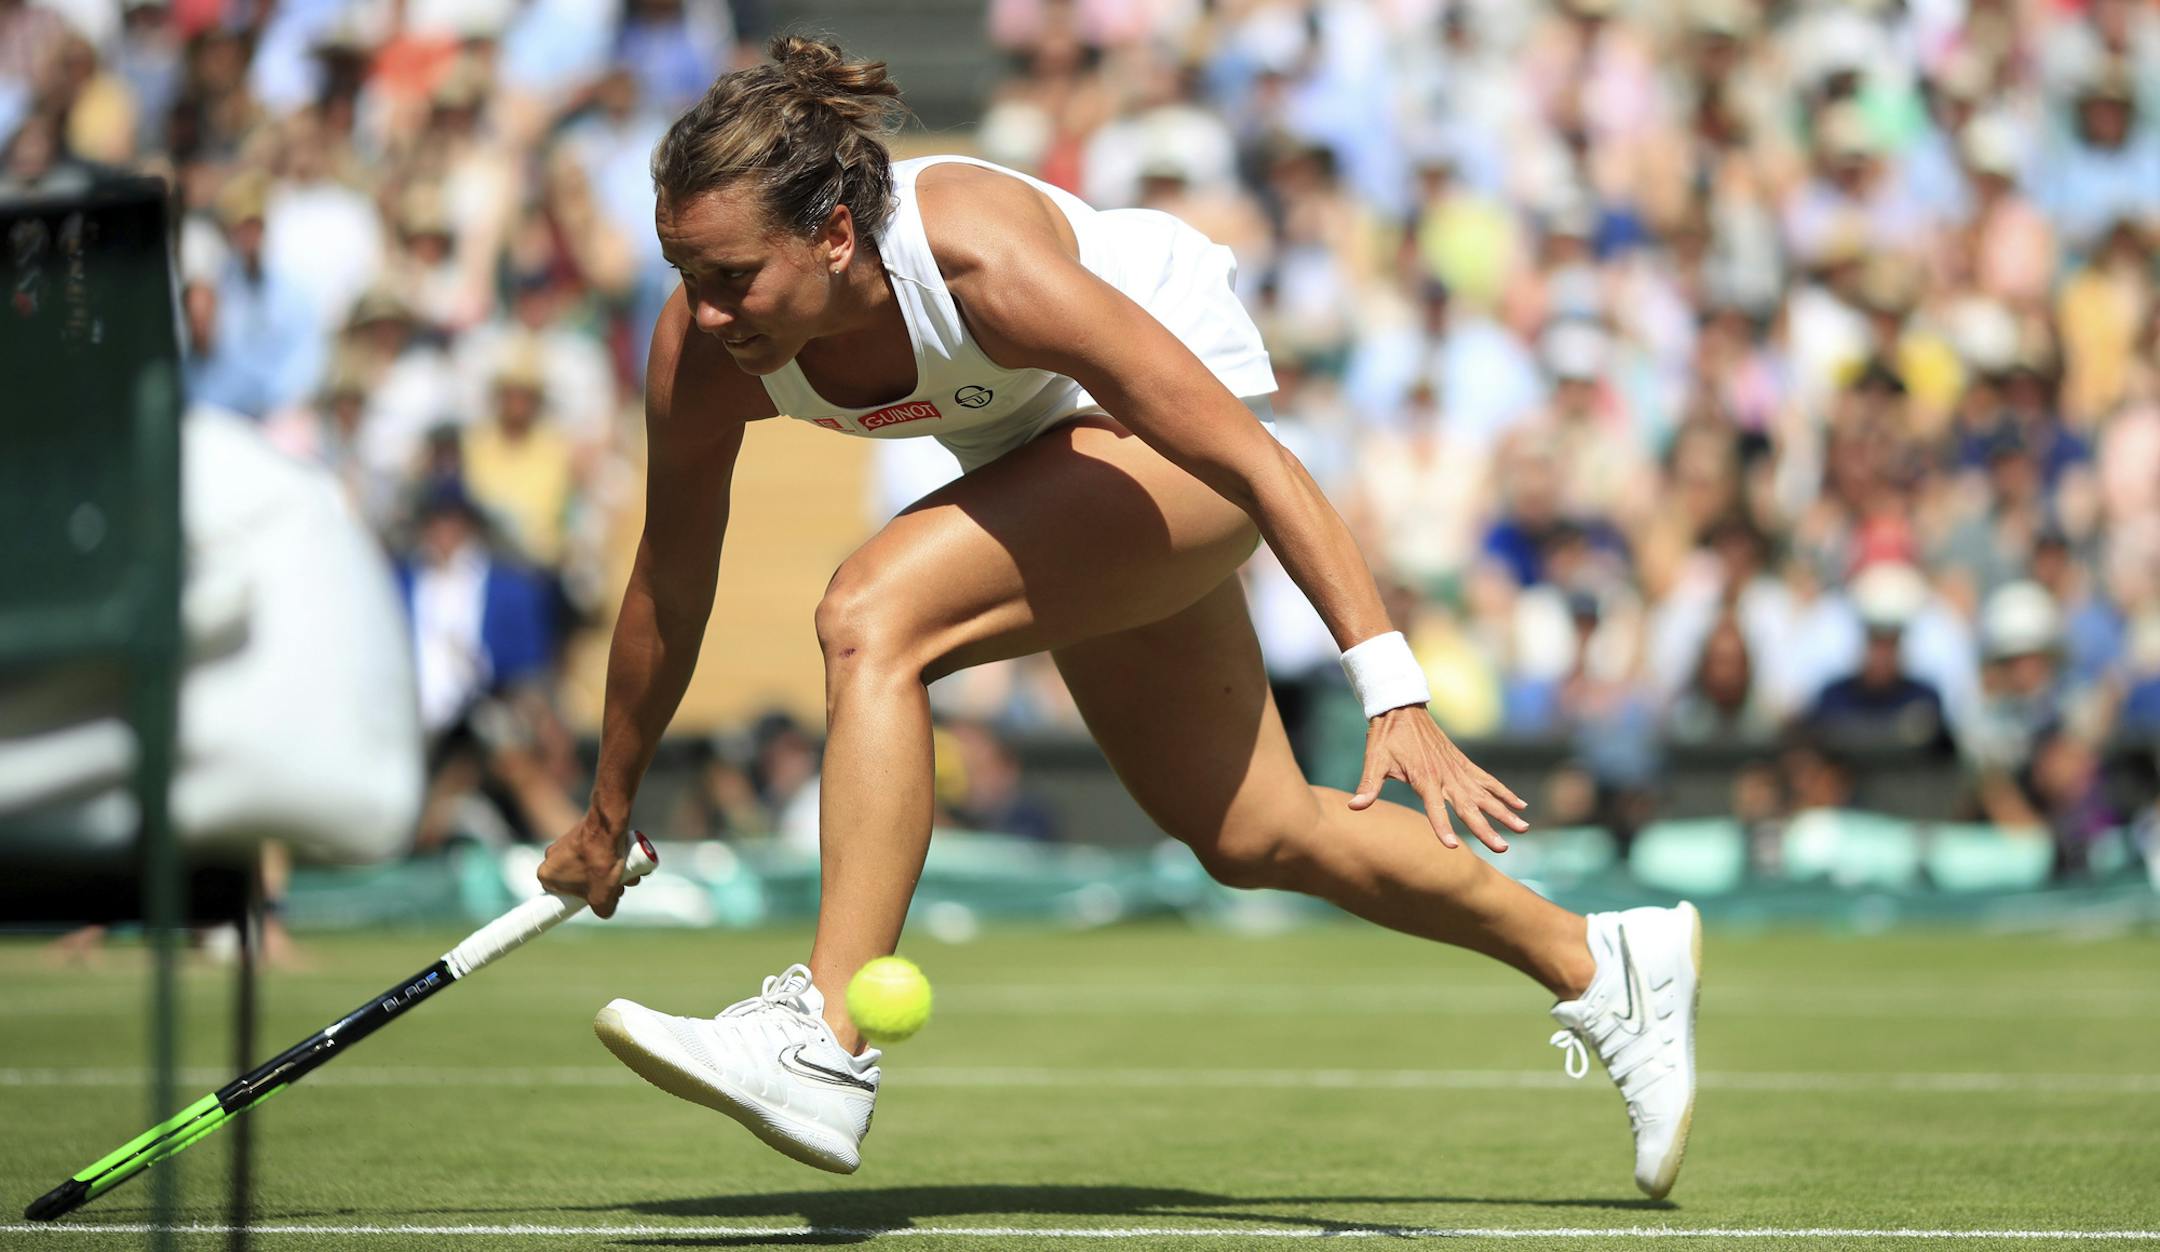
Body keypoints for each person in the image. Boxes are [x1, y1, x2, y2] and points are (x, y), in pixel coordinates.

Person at [535, 36, 1702, 1198]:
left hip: (1183, 436)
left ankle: (824, 1041)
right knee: (1254, 832)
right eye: (685, 272)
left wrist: (1388, 683)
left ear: (835, 235)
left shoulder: (980, 258)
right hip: (1045, 464)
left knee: (870, 614)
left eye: (733, 275)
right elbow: (668, 582)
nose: (707, 307)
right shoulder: (704, 349)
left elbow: (1258, 461)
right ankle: (1603, 960)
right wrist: (607, 806)